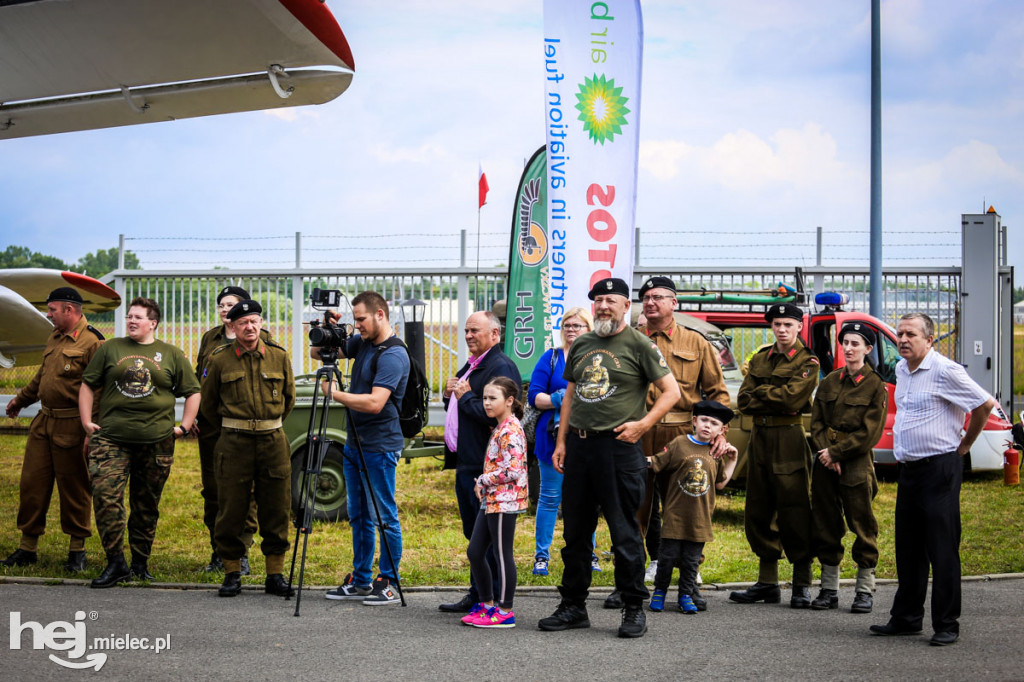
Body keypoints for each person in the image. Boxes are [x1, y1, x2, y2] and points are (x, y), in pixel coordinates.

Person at [537, 277, 680, 639]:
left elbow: (671, 392)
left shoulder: (639, 344)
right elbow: (570, 395)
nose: (603, 306)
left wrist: (643, 425)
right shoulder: (583, 343)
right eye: (598, 301)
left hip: (619, 448)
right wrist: (562, 442)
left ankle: (633, 609)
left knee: (624, 533)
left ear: (624, 306)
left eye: (610, 301)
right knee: (575, 534)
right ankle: (573, 606)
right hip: (580, 450)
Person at [870, 313, 996, 647]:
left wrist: (966, 444)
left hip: (940, 468)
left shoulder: (945, 370)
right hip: (909, 470)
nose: (902, 339)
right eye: (899, 334)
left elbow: (985, 405)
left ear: (930, 338)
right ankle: (907, 618)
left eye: (911, 334)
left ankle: (946, 624)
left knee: (941, 547)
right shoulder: (901, 369)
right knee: (908, 548)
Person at [619, 275, 729, 611]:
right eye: (646, 297)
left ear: (673, 303)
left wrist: (718, 433)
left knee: (687, 506)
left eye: (659, 297)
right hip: (638, 432)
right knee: (634, 507)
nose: (651, 302)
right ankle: (630, 581)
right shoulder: (630, 340)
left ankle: (689, 582)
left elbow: (718, 393)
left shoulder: (696, 343)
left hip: (683, 435)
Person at [79, 297, 201, 588]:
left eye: (138, 317)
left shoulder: (170, 354)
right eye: (129, 316)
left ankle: (140, 563)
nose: (131, 321)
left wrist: (184, 426)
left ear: (153, 323)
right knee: (106, 499)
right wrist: (86, 422)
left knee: (146, 504)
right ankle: (115, 562)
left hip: (157, 441)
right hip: (111, 439)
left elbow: (193, 391)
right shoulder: (110, 348)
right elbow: (87, 384)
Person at [2, 287, 104, 572]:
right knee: (32, 485)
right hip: (43, 423)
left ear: (69, 310)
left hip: (73, 425)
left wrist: (90, 432)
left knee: (74, 488)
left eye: (52, 310)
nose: (48, 315)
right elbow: (43, 376)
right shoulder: (54, 337)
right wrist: (21, 399)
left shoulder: (93, 342)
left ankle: (76, 551)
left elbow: (100, 390)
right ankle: (27, 548)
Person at [199, 300, 296, 598]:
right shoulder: (219, 359)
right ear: (233, 326)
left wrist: (266, 423)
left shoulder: (279, 357)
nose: (249, 327)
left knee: (276, 507)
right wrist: (236, 426)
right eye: (243, 323)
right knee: (231, 508)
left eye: (254, 321)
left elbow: (288, 399)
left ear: (260, 322)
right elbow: (209, 404)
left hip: (272, 440)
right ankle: (231, 572)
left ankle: (275, 575)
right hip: (234, 441)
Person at [319, 291, 408, 606]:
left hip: (380, 446)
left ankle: (387, 582)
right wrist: (327, 327)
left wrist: (335, 395)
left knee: (384, 514)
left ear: (380, 315)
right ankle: (360, 580)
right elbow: (319, 352)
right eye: (354, 320)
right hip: (355, 442)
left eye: (361, 320)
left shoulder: (393, 355)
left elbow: (374, 402)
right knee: (358, 515)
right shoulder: (363, 343)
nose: (357, 327)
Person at [730, 302, 819, 608]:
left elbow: (794, 398)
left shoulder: (808, 362)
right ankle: (767, 582)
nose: (782, 330)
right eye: (777, 324)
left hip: (788, 437)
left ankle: (801, 583)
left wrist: (762, 393)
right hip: (760, 438)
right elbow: (743, 400)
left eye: (788, 325)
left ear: (799, 327)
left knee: (794, 507)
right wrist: (773, 396)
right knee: (759, 506)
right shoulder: (760, 358)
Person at [438, 311, 522, 614]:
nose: (469, 335)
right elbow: (461, 404)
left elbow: (492, 412)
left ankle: (495, 601)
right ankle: (479, 593)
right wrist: (450, 395)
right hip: (467, 460)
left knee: (486, 540)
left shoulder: (500, 366)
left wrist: (465, 395)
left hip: (483, 467)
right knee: (472, 535)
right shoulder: (475, 364)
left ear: (495, 334)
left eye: (475, 330)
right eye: (466, 331)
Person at [809, 323, 888, 613]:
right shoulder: (829, 381)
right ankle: (829, 590)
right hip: (825, 463)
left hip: (855, 463)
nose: (849, 348)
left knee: (862, 524)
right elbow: (816, 423)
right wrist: (826, 454)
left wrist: (838, 453)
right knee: (826, 524)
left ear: (868, 349)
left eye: (856, 343)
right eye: (845, 343)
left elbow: (870, 432)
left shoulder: (875, 385)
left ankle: (864, 590)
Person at [194, 285, 262, 575]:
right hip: (212, 428)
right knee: (214, 491)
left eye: (230, 304)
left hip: (245, 429)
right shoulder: (210, 338)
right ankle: (218, 552)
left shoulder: (261, 340)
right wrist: (197, 414)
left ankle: (241, 552)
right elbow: (201, 379)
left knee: (244, 492)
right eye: (221, 304)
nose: (224, 309)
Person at [646, 400, 737, 614]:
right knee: (667, 559)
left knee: (690, 562)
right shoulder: (679, 443)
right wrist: (631, 460)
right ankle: (659, 592)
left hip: (700, 520)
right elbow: (656, 462)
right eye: (704, 420)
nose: (707, 426)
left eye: (714, 423)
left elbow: (721, 483)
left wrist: (733, 459)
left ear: (722, 430)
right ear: (694, 421)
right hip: (675, 517)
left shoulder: (715, 452)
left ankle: (685, 595)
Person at [527, 306, 595, 578]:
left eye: (577, 326)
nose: (571, 330)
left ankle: (588, 554)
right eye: (567, 325)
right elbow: (534, 396)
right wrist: (561, 398)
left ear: (589, 330)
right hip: (551, 437)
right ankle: (541, 556)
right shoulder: (552, 357)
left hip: (586, 437)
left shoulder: (595, 359)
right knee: (549, 498)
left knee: (585, 500)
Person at [461, 377, 529, 628]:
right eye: (484, 398)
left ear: (509, 401)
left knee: (502, 554)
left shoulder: (510, 430)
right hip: (492, 501)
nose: (487, 403)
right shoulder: (500, 428)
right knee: (475, 551)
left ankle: (505, 610)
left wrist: (483, 479)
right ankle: (487, 604)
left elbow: (514, 470)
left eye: (493, 398)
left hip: (505, 501)